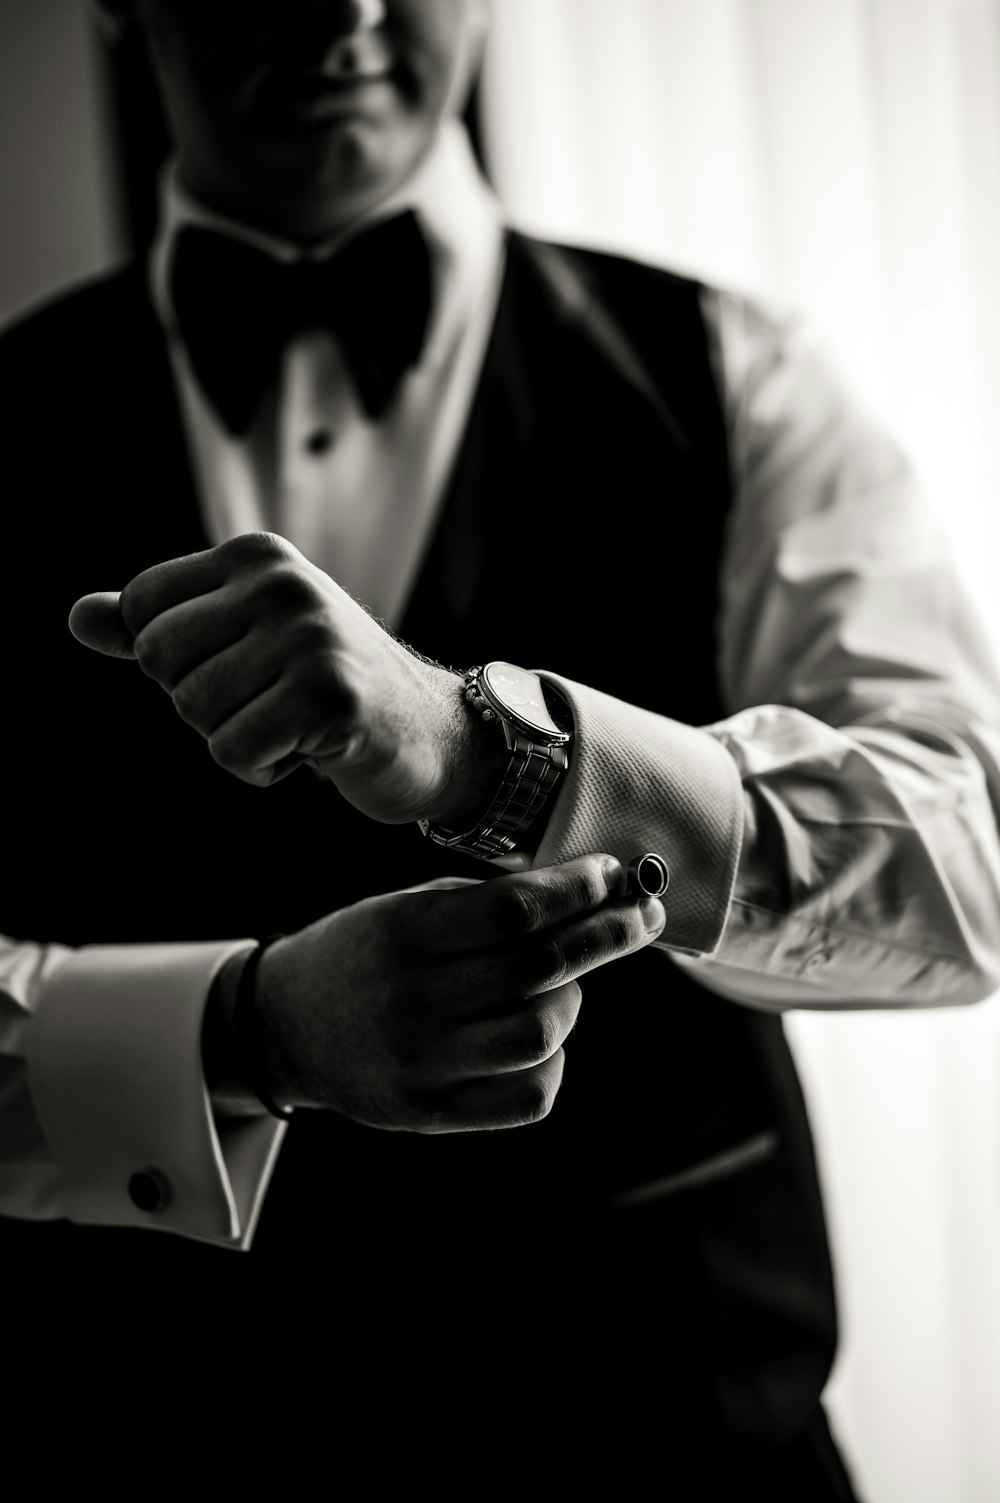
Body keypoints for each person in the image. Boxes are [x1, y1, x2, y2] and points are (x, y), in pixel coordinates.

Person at [4, 0, 1000, 1490]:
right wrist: (246, 1035)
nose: (344, 10)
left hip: (693, 1438)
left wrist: (495, 758)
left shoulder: (740, 374)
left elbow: (966, 877)